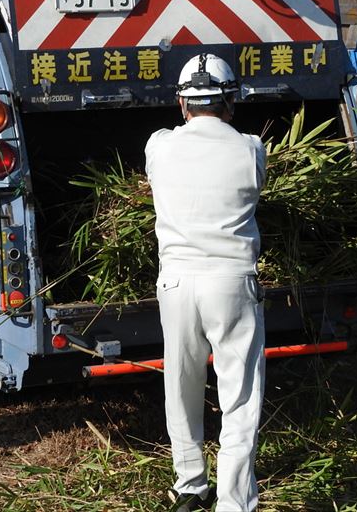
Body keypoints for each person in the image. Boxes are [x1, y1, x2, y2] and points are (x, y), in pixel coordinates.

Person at [145, 53, 267, 512]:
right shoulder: (252, 149)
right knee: (239, 395)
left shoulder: (158, 146)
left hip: (176, 283)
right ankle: (234, 502)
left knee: (181, 384)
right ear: (230, 104)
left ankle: (190, 484)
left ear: (182, 104)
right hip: (232, 282)